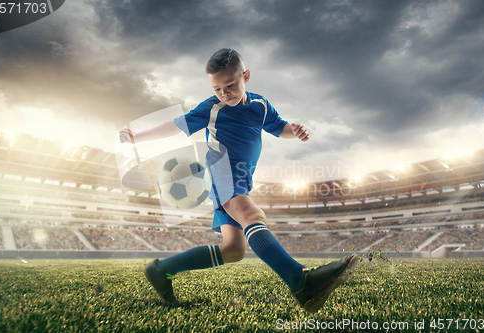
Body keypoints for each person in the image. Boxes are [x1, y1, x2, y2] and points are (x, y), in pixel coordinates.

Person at [120, 48, 358, 313]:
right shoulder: (211, 108)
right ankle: (301, 281)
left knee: (233, 250)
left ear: (245, 76)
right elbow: (177, 125)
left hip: (242, 180)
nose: (224, 93)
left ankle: (162, 270)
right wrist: (136, 136)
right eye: (217, 88)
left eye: (230, 85)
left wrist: (296, 130)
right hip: (223, 173)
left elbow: (280, 128)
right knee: (252, 215)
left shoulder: (260, 105)